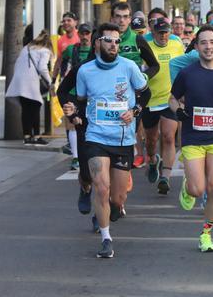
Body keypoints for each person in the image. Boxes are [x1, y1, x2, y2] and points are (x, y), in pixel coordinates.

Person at [68, 22, 150, 258]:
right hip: (96, 137)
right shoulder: (85, 71)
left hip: (123, 139)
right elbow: (82, 101)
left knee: (118, 197)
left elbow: (146, 93)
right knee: (101, 188)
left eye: (117, 41)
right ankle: (106, 238)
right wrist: (74, 110)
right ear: (98, 43)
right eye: (109, 40)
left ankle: (116, 207)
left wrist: (134, 112)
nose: (114, 45)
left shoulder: (129, 67)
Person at [170, 24, 213, 253]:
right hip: (193, 137)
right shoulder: (187, 73)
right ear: (196, 47)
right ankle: (189, 185)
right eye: (203, 42)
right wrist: (178, 111)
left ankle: (206, 233)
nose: (208, 46)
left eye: (212, 42)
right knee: (198, 190)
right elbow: (173, 98)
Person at [110, 2, 160, 168]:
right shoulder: (102, 38)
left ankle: (128, 169)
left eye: (125, 17)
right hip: (108, 97)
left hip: (132, 97)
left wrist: (143, 77)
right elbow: (89, 63)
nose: (121, 21)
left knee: (129, 133)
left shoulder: (137, 39)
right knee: (112, 136)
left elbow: (155, 65)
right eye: (118, 16)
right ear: (112, 18)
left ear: (130, 19)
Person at [142, 16, 185, 194]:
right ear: (153, 32)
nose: (163, 36)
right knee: (152, 140)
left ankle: (165, 177)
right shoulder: (145, 45)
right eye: (160, 32)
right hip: (150, 99)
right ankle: (153, 160)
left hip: (170, 99)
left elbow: (184, 67)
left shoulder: (176, 44)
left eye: (166, 32)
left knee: (168, 137)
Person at [6, 29, 53, 145]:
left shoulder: (26, 48)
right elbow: (42, 67)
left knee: (26, 109)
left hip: (19, 81)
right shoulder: (45, 51)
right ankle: (36, 136)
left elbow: (17, 64)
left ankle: (27, 136)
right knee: (35, 107)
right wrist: (50, 81)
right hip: (30, 82)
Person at [59, 23, 94, 170]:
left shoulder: (96, 50)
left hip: (91, 94)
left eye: (87, 33)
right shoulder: (71, 49)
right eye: (82, 33)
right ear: (78, 34)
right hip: (73, 92)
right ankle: (75, 158)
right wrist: (59, 77)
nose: (85, 36)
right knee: (71, 124)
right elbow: (60, 61)